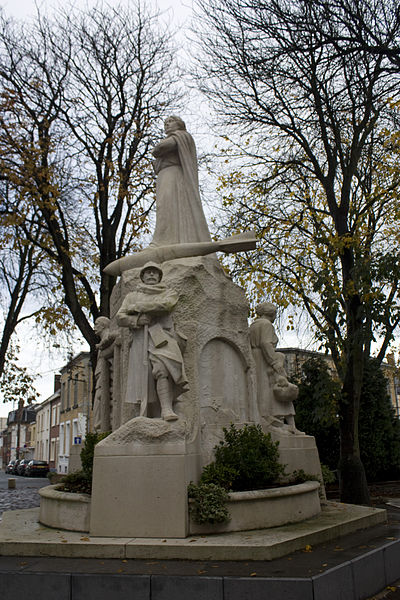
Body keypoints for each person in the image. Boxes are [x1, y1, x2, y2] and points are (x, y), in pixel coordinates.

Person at [116, 262, 188, 421]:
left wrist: (138, 307)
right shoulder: (131, 296)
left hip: (161, 338)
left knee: (163, 369)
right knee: (144, 376)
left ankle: (167, 409)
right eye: (147, 272)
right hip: (141, 339)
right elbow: (120, 317)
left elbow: (166, 305)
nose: (151, 275)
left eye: (154, 272)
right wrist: (136, 321)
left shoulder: (168, 293)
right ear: (142, 276)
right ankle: (144, 412)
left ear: (160, 276)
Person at [150, 115, 212, 246]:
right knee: (164, 207)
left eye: (170, 121)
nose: (167, 124)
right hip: (164, 175)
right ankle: (164, 240)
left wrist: (157, 150)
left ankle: (164, 241)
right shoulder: (175, 137)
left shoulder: (181, 136)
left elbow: (159, 149)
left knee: (168, 205)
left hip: (173, 174)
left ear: (180, 124)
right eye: (165, 122)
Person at [249, 302, 300, 433]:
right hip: (265, 359)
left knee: (262, 389)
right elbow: (266, 343)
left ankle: (267, 419)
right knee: (269, 390)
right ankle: (271, 421)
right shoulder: (266, 325)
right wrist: (275, 363)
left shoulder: (253, 325)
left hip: (256, 357)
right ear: (271, 313)